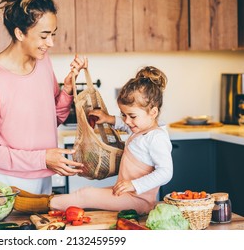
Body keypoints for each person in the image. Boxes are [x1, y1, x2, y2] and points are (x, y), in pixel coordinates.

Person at [0, 0, 87, 195]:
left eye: (52, 34)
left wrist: (68, 90)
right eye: (44, 36)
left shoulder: (43, 63)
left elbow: (52, 119)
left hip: (44, 176)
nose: (50, 43)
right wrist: (43, 158)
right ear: (20, 33)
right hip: (8, 184)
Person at [13, 66, 173, 215]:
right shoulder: (142, 130)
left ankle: (35, 205)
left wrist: (134, 185)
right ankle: (37, 200)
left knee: (86, 194)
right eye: (124, 115)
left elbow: (165, 172)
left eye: (132, 116)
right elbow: (125, 126)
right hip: (128, 193)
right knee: (84, 194)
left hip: (138, 200)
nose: (127, 121)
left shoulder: (157, 138)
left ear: (153, 112)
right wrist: (108, 118)